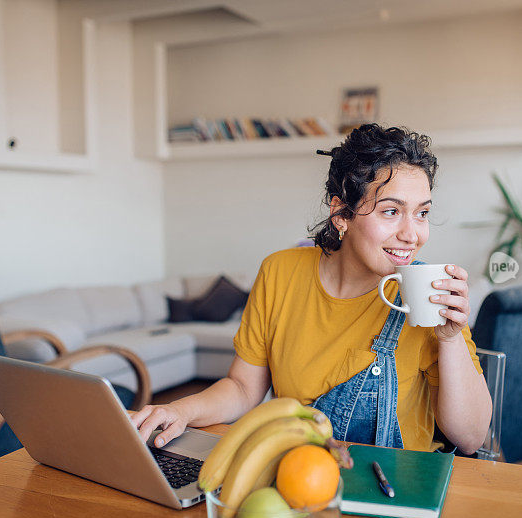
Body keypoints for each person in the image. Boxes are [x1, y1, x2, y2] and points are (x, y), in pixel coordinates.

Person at [132, 124, 492, 453]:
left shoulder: (428, 296)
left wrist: (449, 339)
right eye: (391, 211)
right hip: (299, 474)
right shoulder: (280, 272)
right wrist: (176, 410)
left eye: (422, 213)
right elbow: (243, 388)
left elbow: (471, 437)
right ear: (341, 214)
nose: (412, 234)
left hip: (397, 493)